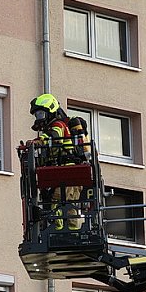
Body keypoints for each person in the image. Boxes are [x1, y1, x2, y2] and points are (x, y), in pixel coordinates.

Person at [28, 94, 82, 230]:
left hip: (68, 171)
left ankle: (66, 232)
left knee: (62, 202)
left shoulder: (58, 124)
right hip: (61, 172)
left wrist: (38, 141)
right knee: (56, 202)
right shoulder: (50, 127)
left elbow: (55, 136)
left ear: (50, 110)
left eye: (40, 114)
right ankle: (58, 230)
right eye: (37, 115)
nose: (39, 118)